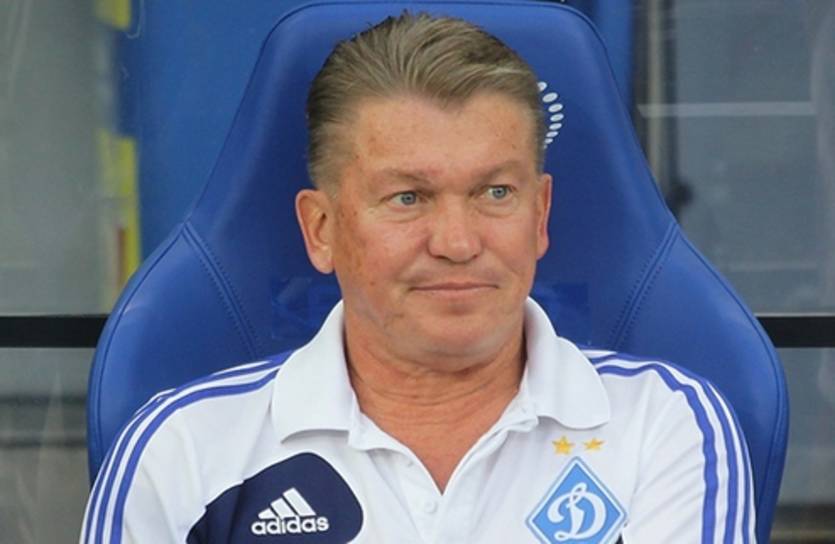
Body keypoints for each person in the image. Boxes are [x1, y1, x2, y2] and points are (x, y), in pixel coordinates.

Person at [81, 12, 754, 543]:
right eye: (407, 198)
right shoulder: (182, 450)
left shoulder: (665, 426)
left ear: (540, 215)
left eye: (495, 192)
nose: (457, 243)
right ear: (321, 228)